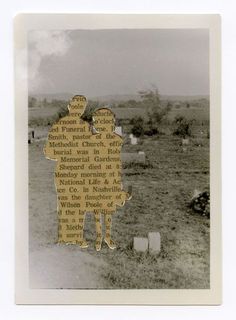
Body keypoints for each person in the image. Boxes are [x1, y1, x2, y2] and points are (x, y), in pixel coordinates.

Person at [44, 95, 92, 247]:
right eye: (76, 106)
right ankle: (64, 237)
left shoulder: (86, 127)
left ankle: (77, 237)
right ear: (69, 107)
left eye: (81, 107)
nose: (78, 110)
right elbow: (48, 151)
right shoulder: (59, 126)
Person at [88, 108, 131, 251]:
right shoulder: (92, 140)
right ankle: (99, 237)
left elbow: (116, 163)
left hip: (111, 179)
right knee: (97, 211)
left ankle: (107, 236)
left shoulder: (116, 140)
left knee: (108, 211)